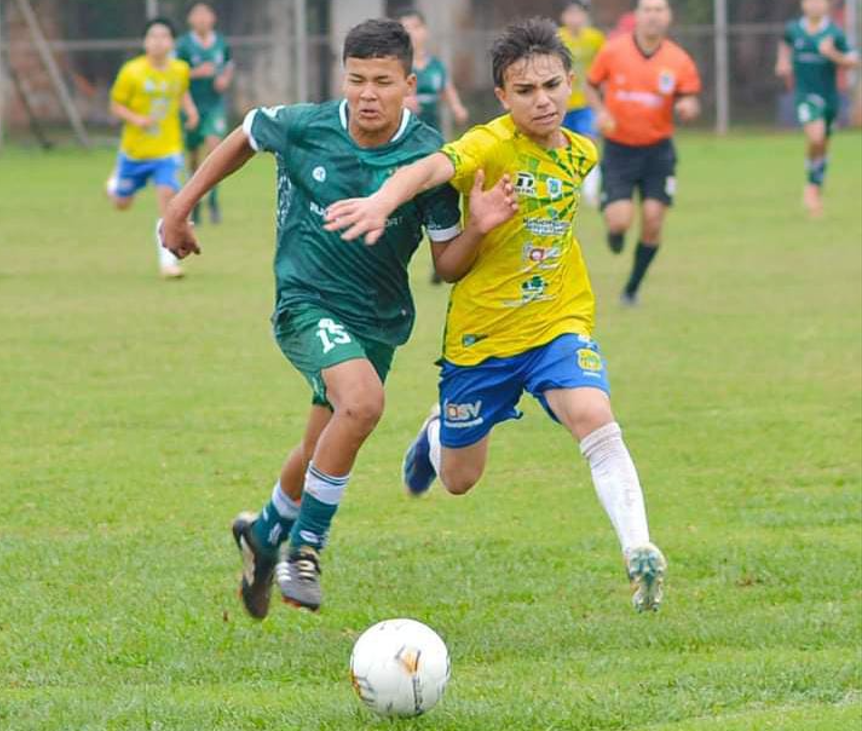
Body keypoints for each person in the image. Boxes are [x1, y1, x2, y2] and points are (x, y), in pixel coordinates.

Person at [159, 19, 514, 617]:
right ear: (342, 78)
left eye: (382, 81)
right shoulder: (307, 127)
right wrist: (180, 205)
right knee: (364, 404)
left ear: (409, 85)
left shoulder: (428, 158)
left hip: (377, 320)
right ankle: (306, 549)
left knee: (321, 442)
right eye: (356, 80)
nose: (367, 94)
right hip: (305, 304)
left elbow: (448, 266)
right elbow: (246, 134)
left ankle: (266, 532)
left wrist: (478, 226)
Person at [327, 17, 668, 613]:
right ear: (503, 97)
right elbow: (432, 168)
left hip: (557, 324)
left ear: (571, 84)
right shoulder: (490, 144)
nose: (543, 101)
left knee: (594, 415)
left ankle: (640, 552)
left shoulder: (580, 153)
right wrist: (385, 198)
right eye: (527, 91)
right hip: (482, 338)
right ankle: (435, 435)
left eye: (553, 86)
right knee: (461, 478)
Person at [586, 0, 701, 306]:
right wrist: (599, 111)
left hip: (658, 152)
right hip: (619, 150)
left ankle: (632, 289)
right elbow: (590, 85)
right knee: (620, 222)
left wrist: (688, 107)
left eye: (659, 10)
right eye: (647, 9)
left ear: (668, 17)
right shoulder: (613, 51)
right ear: (636, 16)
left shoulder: (679, 60)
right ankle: (615, 231)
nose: (653, 16)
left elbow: (690, 98)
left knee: (653, 219)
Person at [106, 17, 199, 279]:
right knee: (121, 203)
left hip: (167, 150)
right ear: (145, 42)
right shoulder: (132, 71)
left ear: (172, 42)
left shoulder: (180, 69)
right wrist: (137, 119)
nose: (158, 41)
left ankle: (168, 262)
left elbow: (181, 93)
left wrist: (191, 111)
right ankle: (115, 184)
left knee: (168, 201)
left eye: (164, 36)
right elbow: (116, 105)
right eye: (153, 36)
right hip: (134, 152)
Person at [776, 0, 858, 217]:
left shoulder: (834, 33)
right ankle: (812, 187)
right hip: (805, 95)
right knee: (816, 136)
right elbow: (784, 44)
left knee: (823, 143)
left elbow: (854, 61)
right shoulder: (793, 29)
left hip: (829, 97)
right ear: (803, 5)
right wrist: (782, 62)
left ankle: (814, 185)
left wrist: (832, 54)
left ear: (827, 6)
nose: (814, 5)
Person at [176, 2, 234, 224]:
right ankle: (196, 202)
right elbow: (175, 75)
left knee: (214, 149)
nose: (201, 19)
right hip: (191, 106)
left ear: (212, 18)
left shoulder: (220, 42)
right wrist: (195, 73)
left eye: (205, 15)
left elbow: (228, 65)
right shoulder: (183, 46)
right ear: (191, 20)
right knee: (193, 159)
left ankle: (214, 201)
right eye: (197, 15)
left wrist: (224, 79)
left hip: (214, 107)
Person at [558, 0, 605, 206]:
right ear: (564, 17)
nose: (575, 18)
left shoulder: (596, 39)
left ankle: (591, 191)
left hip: (586, 103)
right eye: (571, 13)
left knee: (589, 143)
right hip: (561, 104)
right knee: (559, 147)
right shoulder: (556, 38)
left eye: (579, 13)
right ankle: (563, 189)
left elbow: (604, 66)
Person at [398, 9, 469, 133]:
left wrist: (458, 109)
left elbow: (449, 91)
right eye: (406, 28)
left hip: (433, 128)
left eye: (416, 27)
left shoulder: (437, 67)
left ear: (425, 30)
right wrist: (401, 103)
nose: (411, 33)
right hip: (407, 131)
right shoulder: (398, 66)